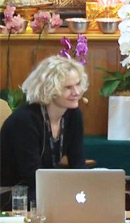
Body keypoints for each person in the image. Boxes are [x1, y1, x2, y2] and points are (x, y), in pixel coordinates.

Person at [0, 55, 89, 210]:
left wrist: (84, 190)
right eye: (68, 87)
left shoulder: (73, 115)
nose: (76, 92)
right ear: (50, 89)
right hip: (12, 193)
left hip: (40, 189)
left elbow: (78, 163)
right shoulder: (24, 120)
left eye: (78, 85)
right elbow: (32, 175)